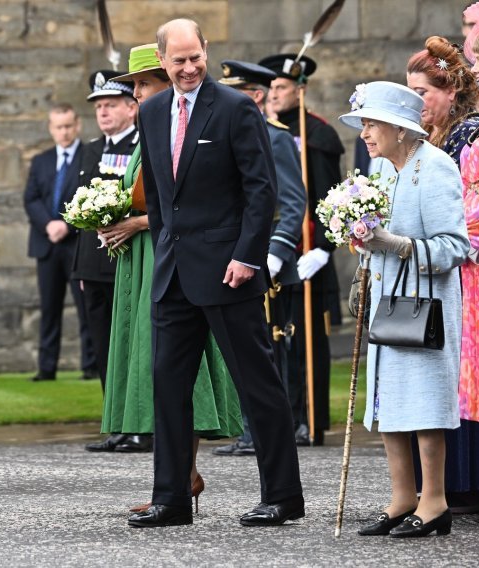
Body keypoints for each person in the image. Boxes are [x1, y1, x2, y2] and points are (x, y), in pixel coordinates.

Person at [127, 18, 303, 528]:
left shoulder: (235, 108)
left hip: (231, 272)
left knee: (257, 384)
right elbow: (160, 195)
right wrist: (164, 249)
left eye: (195, 57)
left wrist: (248, 256)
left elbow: (260, 190)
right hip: (174, 273)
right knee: (168, 384)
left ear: (205, 51)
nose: (188, 68)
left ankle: (283, 496)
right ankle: (172, 498)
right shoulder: (154, 110)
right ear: (162, 60)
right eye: (177, 60)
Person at [99, 44, 242, 509]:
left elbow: (187, 200)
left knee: (178, 366)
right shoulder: (148, 131)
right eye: (134, 86)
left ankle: (182, 477)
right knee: (155, 366)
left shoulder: (181, 126)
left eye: (141, 84)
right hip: (146, 261)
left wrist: (136, 223)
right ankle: (179, 476)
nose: (135, 94)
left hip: (173, 260)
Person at [341, 81, 469, 538]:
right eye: (363, 124)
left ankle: (434, 503)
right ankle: (401, 497)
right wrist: (363, 266)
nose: (365, 133)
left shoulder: (435, 167)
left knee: (424, 403)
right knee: (389, 400)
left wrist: (394, 245)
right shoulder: (381, 169)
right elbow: (371, 233)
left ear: (399, 128)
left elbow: (455, 247)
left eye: (372, 123)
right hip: (387, 300)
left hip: (425, 304)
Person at [405, 34, 479, 520]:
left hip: (469, 266)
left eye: (424, 93)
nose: (418, 103)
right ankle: (440, 484)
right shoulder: (424, 137)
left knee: (463, 369)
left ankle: (473, 481)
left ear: (450, 91)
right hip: (435, 269)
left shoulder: (468, 133)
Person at [211, 59, 307, 457]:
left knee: (267, 353)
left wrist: (273, 254)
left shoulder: (276, 137)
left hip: (267, 265)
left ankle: (268, 433)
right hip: (232, 258)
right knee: (238, 350)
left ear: (255, 96)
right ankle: (248, 429)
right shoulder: (225, 134)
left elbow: (291, 201)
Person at [258, 52, 344, 446]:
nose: (274, 94)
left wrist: (325, 248)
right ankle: (283, 417)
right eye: (270, 87)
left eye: (281, 87)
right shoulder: (263, 130)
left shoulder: (317, 135)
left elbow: (331, 199)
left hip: (308, 253)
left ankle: (311, 418)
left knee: (306, 341)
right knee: (274, 338)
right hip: (274, 252)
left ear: (300, 90)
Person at [71, 70, 140, 453]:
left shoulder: (139, 145)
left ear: (132, 108)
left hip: (125, 257)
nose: (103, 112)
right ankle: (115, 422)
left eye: (111, 104)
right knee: (102, 345)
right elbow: (78, 209)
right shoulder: (90, 149)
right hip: (92, 263)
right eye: (99, 106)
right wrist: (80, 267)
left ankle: (138, 427)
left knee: (128, 343)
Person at [23, 103, 96, 383]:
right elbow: (31, 198)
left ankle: (90, 364)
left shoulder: (89, 156)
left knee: (86, 305)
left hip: (77, 243)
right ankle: (46, 367)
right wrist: (48, 224)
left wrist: (68, 224)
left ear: (76, 125)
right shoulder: (40, 160)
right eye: (58, 127)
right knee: (49, 308)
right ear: (50, 129)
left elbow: (92, 194)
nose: (63, 132)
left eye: (68, 126)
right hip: (47, 244)